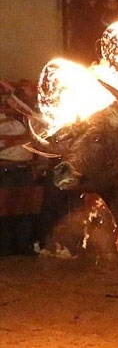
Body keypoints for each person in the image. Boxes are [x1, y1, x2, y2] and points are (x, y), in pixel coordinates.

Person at [0, 82, 36, 255]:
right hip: (7, 169)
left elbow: (23, 107)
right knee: (6, 209)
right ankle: (6, 247)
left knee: (26, 208)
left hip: (24, 169)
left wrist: (12, 90)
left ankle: (23, 245)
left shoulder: (19, 119)